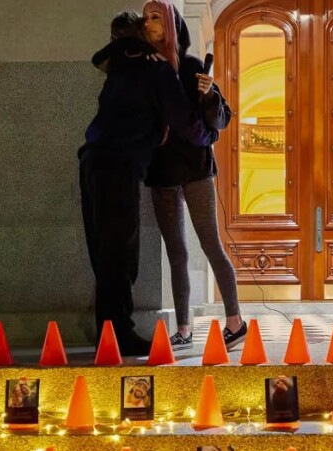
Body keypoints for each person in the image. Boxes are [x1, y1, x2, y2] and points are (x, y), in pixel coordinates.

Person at [80, 10, 217, 356]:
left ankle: (108, 334)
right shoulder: (155, 70)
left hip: (92, 161)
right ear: (142, 36)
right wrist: (209, 135)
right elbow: (185, 123)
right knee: (120, 254)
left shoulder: (118, 67)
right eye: (147, 22)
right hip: (119, 165)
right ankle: (117, 337)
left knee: (105, 253)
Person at [141, 0, 246, 351]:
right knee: (176, 252)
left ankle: (235, 321)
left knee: (210, 244)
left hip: (196, 169)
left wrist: (209, 94)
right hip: (162, 173)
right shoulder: (144, 68)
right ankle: (184, 328)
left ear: (171, 24)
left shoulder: (189, 66)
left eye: (156, 17)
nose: (148, 23)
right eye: (145, 18)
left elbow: (220, 119)